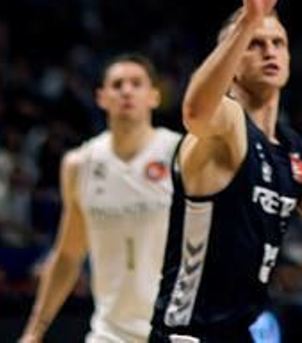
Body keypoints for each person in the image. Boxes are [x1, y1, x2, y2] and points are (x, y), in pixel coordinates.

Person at [150, 0, 302, 342]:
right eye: (256, 44)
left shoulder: (296, 153)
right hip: (188, 335)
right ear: (234, 60)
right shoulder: (227, 122)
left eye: (278, 42)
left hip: (239, 333)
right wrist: (249, 19)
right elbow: (195, 112)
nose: (270, 51)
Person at [20, 54, 181, 343]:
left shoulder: (179, 153)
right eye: (117, 85)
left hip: (175, 330)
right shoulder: (79, 164)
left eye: (137, 83)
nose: (127, 91)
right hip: (110, 333)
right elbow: (68, 255)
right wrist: (34, 331)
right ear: (102, 98)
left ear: (154, 97)